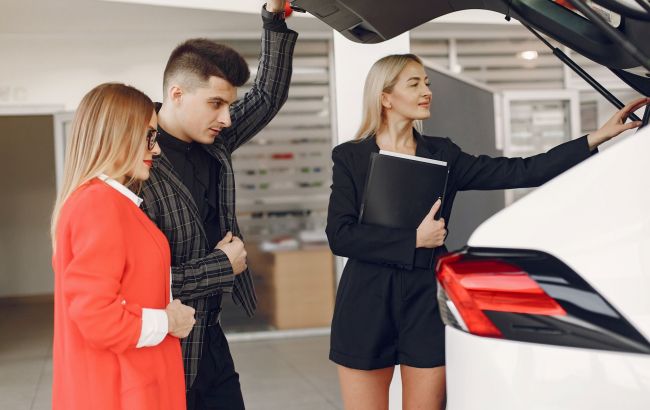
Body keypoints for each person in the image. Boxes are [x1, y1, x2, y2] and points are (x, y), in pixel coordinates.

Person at [326, 53, 649, 410]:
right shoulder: (350, 157)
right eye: (414, 84)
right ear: (386, 97)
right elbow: (340, 235)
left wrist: (595, 137)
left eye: (427, 83)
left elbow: (522, 170)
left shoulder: (444, 153)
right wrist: (414, 239)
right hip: (366, 299)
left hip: (425, 299)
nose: (426, 91)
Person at [139, 2, 297, 408]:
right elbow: (139, 285)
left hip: (211, 335)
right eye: (215, 104)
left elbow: (266, 96)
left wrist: (273, 17)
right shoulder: (134, 163)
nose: (226, 118)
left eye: (229, 105)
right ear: (176, 94)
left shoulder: (215, 139)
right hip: (164, 343)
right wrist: (221, 266)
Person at [51, 83, 197, 410]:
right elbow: (98, 317)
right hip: (122, 392)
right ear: (117, 133)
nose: (156, 150)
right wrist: (168, 322)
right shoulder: (98, 204)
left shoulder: (108, 203)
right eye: (149, 136)